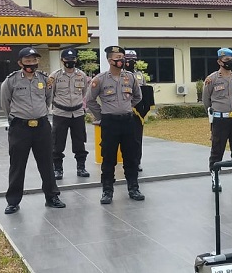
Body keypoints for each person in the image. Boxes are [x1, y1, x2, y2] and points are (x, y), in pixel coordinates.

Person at [0, 47, 66, 214]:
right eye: (28, 61)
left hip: (41, 127)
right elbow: (6, 102)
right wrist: (16, 119)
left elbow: (48, 99)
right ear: (20, 63)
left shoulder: (45, 79)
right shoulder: (11, 80)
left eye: (34, 60)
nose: (31, 63)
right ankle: (13, 201)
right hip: (20, 128)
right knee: (17, 165)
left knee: (46, 164)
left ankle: (52, 197)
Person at [86, 45, 145, 204]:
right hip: (110, 123)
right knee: (108, 158)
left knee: (131, 157)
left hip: (128, 121)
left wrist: (126, 107)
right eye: (117, 58)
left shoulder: (131, 78)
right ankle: (107, 191)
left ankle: (133, 188)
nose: (121, 60)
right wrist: (102, 115)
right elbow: (90, 100)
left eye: (122, 57)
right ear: (109, 60)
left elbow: (138, 96)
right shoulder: (100, 79)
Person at [202, 48, 232, 192]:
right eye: (227, 60)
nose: (230, 62)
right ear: (219, 62)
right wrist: (214, 112)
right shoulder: (211, 79)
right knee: (217, 149)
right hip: (220, 119)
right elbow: (206, 100)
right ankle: (215, 178)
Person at [49, 48, 90, 180]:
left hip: (77, 113)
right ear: (62, 60)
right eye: (67, 59)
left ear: (76, 60)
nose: (70, 61)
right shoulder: (55, 76)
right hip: (60, 113)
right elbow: (50, 94)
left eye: (72, 59)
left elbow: (84, 92)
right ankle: (58, 169)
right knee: (57, 143)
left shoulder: (81, 75)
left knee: (79, 142)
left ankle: (81, 167)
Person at [124, 49, 154, 172]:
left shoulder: (140, 75)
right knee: (123, 140)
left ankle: (137, 162)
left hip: (137, 113)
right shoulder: (120, 75)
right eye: (128, 60)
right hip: (123, 112)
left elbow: (143, 91)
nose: (131, 62)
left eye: (133, 60)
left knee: (137, 139)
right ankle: (125, 162)